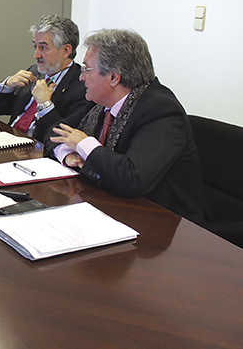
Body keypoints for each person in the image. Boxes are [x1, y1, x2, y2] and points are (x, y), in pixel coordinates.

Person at [46, 29, 204, 224]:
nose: (80, 77)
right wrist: (67, 154)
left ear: (114, 77)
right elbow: (54, 131)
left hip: (164, 225)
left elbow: (132, 179)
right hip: (109, 204)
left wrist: (85, 145)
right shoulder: (99, 102)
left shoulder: (161, 111)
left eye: (87, 69)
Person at [0, 14, 93, 142]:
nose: (36, 55)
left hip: (39, 150)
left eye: (43, 47)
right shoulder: (34, 71)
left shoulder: (82, 86)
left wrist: (45, 104)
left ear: (66, 50)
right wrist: (7, 85)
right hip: (10, 137)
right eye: (35, 46)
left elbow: (63, 136)